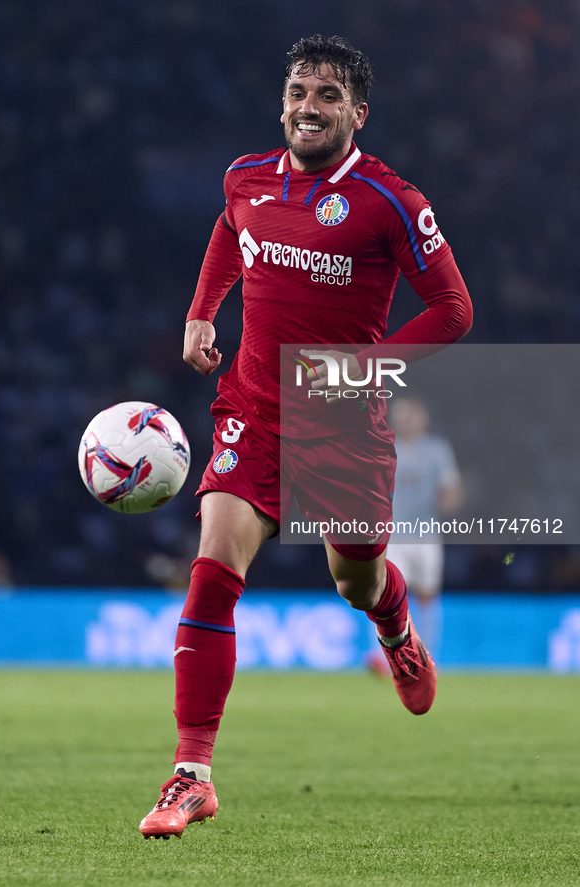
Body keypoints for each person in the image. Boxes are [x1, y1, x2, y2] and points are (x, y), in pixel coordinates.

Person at [139, 34, 473, 839]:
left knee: (353, 577)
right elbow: (230, 230)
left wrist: (363, 370)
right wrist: (200, 309)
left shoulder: (392, 200)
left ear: (357, 113)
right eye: (296, 92)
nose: (307, 107)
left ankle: (393, 625)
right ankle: (192, 773)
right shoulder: (246, 178)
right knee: (213, 566)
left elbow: (452, 308)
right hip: (251, 407)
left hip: (344, 426)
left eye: (326, 95)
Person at [371, 396, 464, 668]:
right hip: (393, 535)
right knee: (385, 596)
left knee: (427, 595)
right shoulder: (385, 448)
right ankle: (384, 657)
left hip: (426, 535)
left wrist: (450, 498)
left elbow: (451, 486)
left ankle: (427, 655)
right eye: (400, 415)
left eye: (410, 415)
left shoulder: (437, 449)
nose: (404, 420)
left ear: (423, 418)